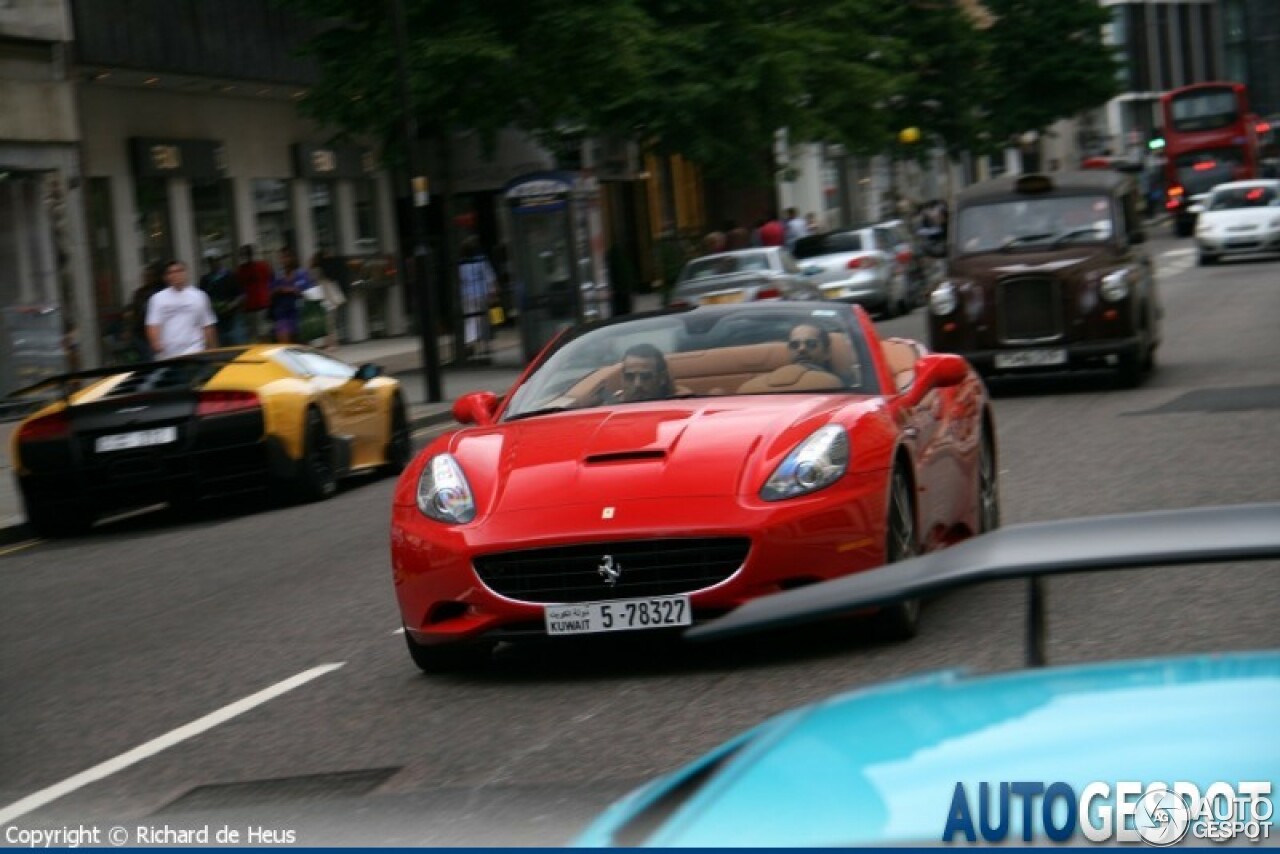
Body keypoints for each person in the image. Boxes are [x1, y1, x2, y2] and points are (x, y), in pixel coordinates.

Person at [145, 259, 218, 359]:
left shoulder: (199, 296)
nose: (176, 275)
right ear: (166, 277)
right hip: (168, 354)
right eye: (171, 272)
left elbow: (207, 324)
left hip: (195, 350)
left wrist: (212, 349)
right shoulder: (158, 299)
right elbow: (152, 324)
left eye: (179, 271)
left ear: (185, 273)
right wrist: (156, 344)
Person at [458, 236, 498, 361]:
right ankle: (485, 345)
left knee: (470, 320)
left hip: (467, 294)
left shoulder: (460, 264)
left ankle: (471, 343)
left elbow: (459, 281)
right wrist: (493, 291)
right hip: (481, 293)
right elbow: (489, 277)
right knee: (483, 320)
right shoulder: (481, 261)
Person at [200, 250, 245, 345]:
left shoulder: (230, 276)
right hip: (215, 319)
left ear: (220, 260)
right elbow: (201, 298)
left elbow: (241, 295)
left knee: (236, 344)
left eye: (215, 260)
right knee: (220, 345)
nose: (213, 263)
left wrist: (230, 305)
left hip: (232, 318)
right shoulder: (205, 280)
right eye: (210, 261)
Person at [270, 247, 314, 344]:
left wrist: (293, 290)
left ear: (293, 258)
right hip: (282, 314)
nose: (284, 260)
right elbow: (271, 292)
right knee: (285, 345)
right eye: (281, 258)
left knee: (303, 346)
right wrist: (279, 290)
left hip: (300, 314)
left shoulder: (302, 274)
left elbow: (309, 292)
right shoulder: (278, 275)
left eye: (286, 257)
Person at [126, 261, 165, 362]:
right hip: (140, 333)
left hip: (157, 332)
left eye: (149, 276)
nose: (146, 278)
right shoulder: (140, 293)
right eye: (145, 276)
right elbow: (133, 310)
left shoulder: (161, 292)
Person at [235, 245, 274, 342]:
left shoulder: (261, 266)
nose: (247, 257)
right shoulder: (241, 270)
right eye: (245, 255)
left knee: (262, 332)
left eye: (247, 254)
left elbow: (271, 279)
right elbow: (239, 286)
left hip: (261, 304)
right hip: (250, 306)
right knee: (254, 333)